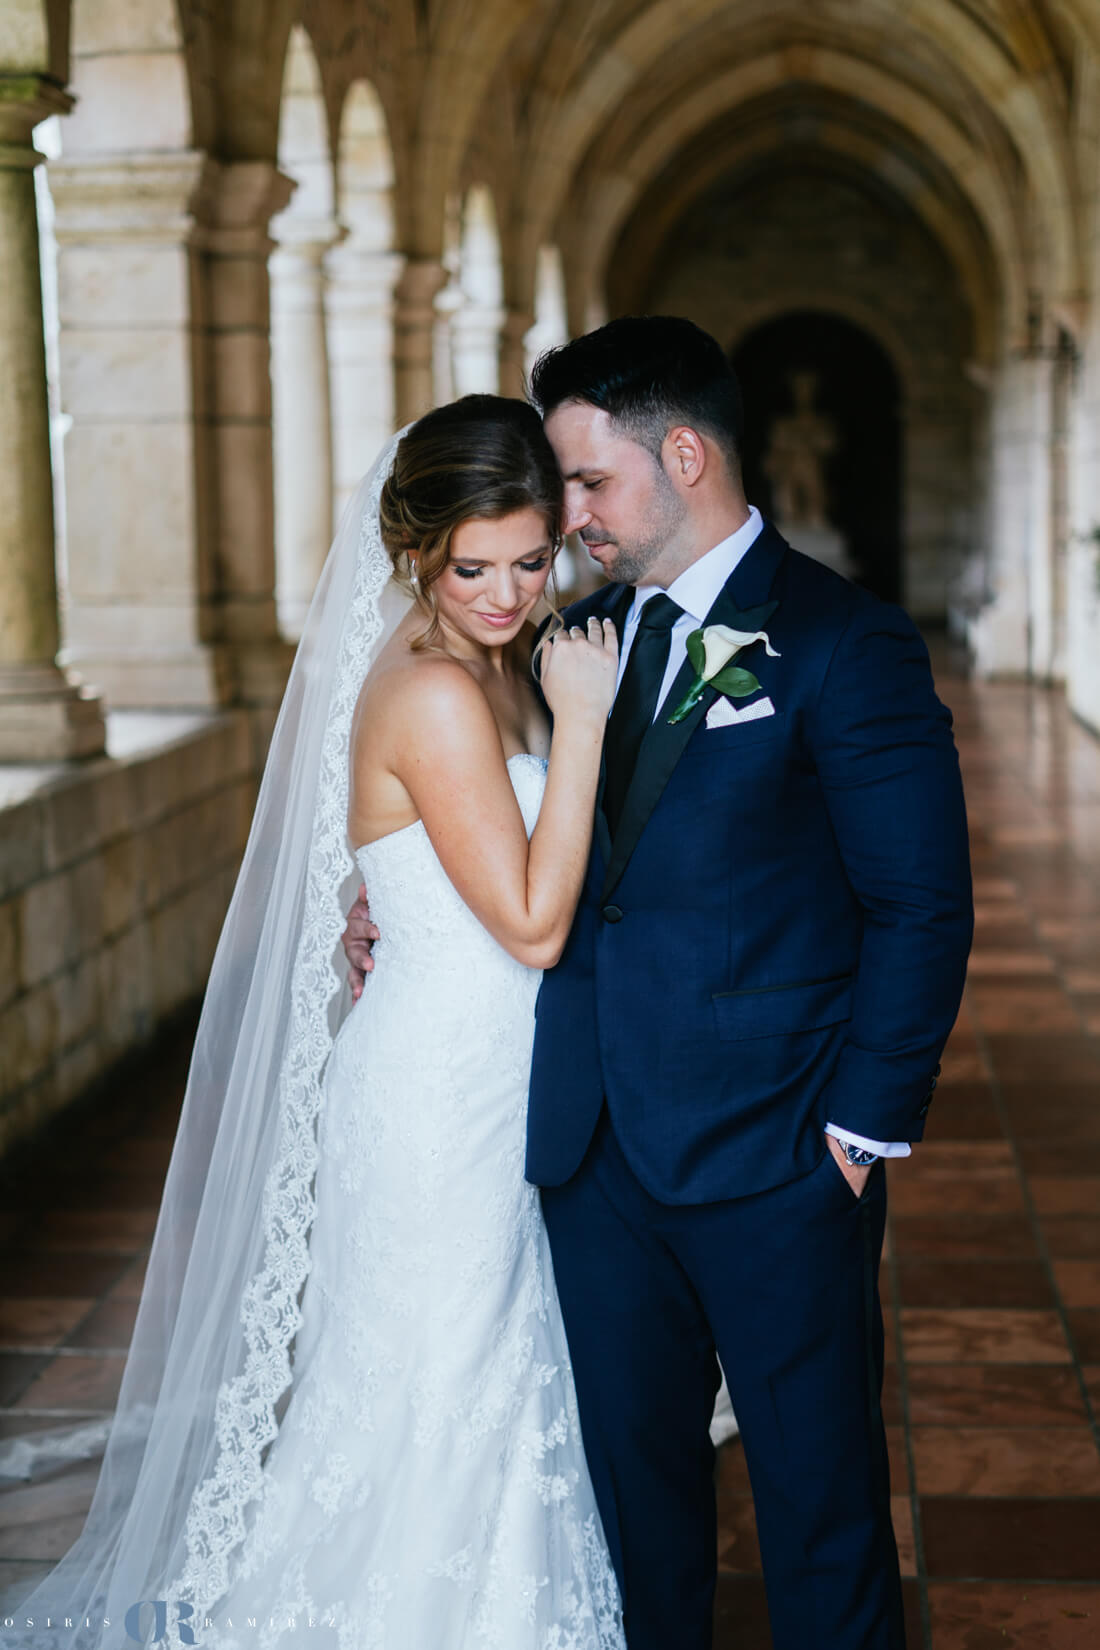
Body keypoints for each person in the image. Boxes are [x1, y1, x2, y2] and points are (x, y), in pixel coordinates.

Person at [345, 317, 974, 1650]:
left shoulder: (843, 643)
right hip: (584, 1153)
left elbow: (920, 904)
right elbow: (480, 812)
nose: (562, 517)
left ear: (682, 454)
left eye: (585, 484)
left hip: (776, 1157)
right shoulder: (563, 633)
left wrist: (857, 1136)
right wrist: (385, 888)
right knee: (629, 1518)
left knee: (820, 1509)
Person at [5, 397, 625, 1650]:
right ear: (414, 549)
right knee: (438, 1385)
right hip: (438, 1098)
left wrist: (377, 887)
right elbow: (531, 923)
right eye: (473, 567)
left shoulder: (491, 655)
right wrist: (592, 726)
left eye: (528, 560)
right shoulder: (442, 691)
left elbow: (435, 861)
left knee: (476, 1380)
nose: (506, 593)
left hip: (487, 1073)